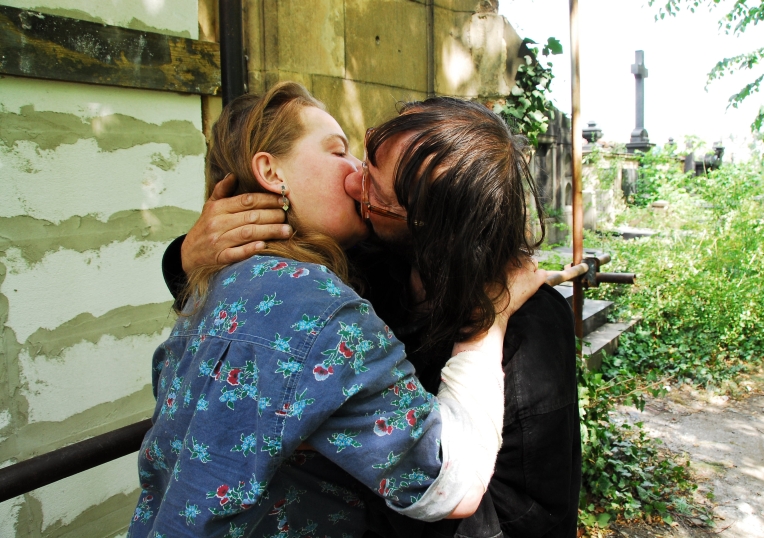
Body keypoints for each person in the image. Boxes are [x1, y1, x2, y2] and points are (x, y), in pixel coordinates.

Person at [130, 82, 546, 538]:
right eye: (337, 151)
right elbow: (453, 485)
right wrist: (488, 323)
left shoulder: (212, 284)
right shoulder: (319, 309)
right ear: (271, 172)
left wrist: (183, 260)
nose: (355, 176)